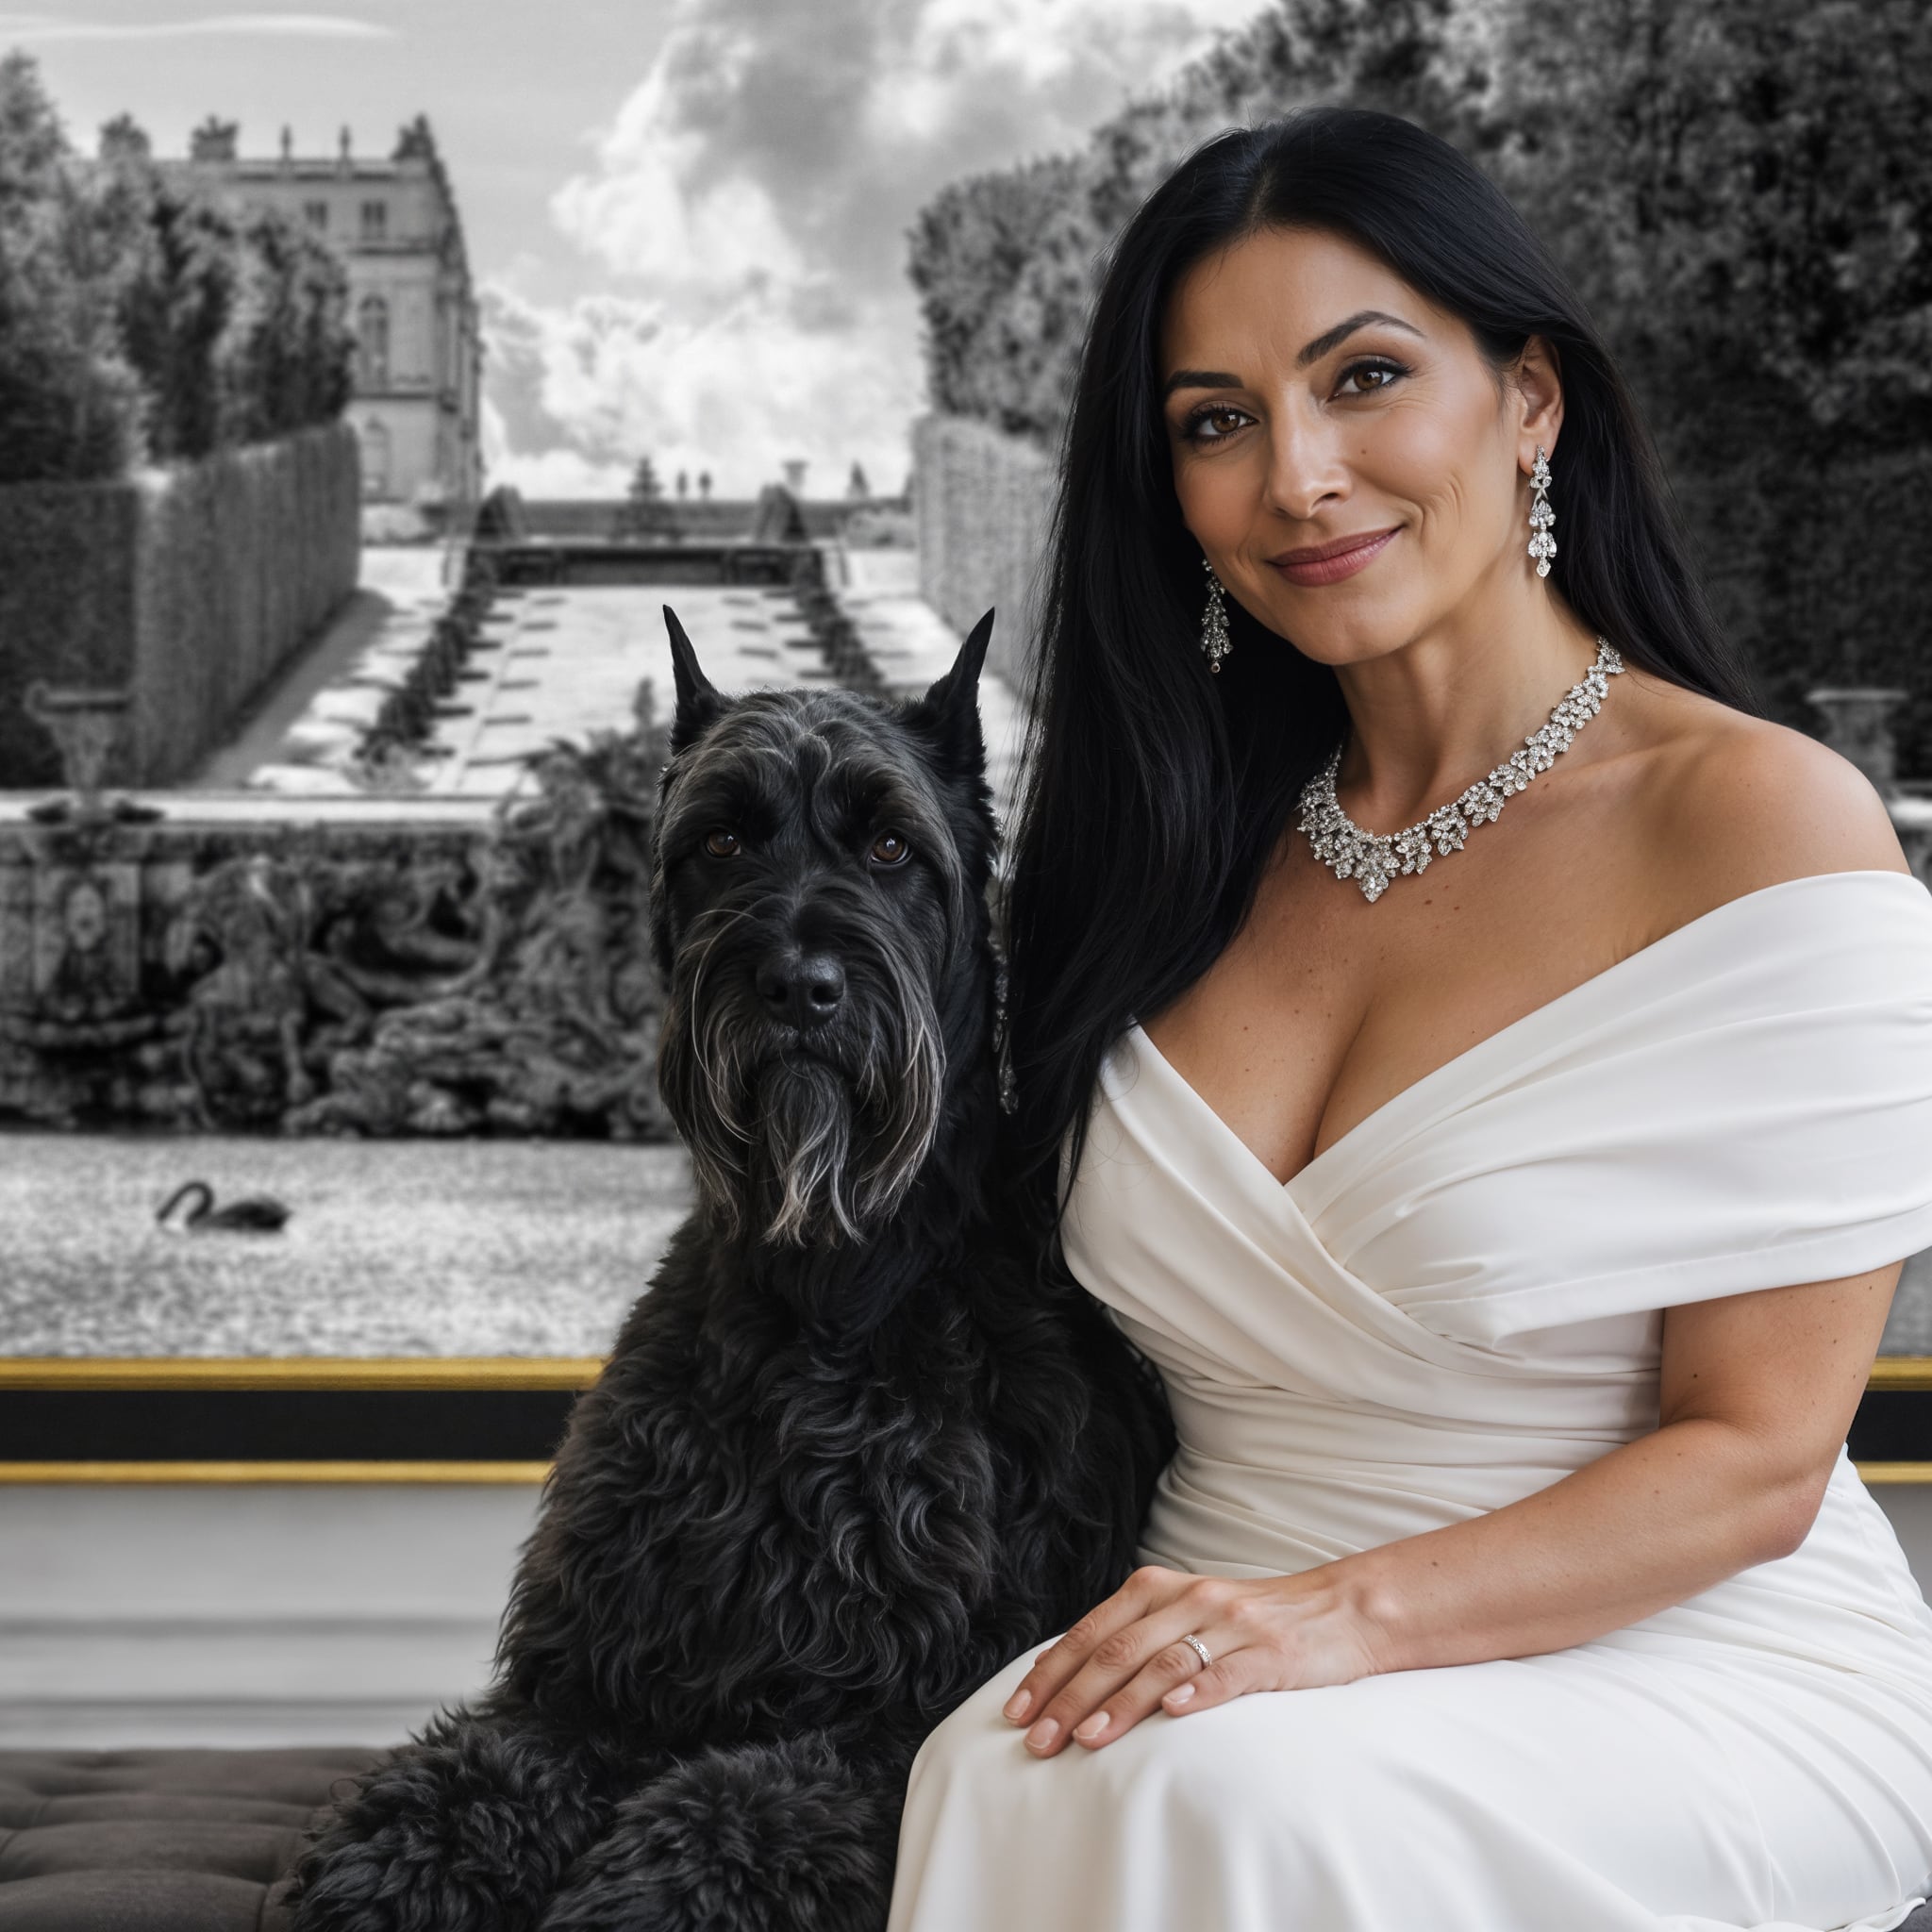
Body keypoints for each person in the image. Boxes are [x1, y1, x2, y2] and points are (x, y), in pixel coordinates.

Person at [884, 106, 1932, 1932]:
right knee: (998, 1755)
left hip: (1673, 1657)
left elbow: (1757, 1461)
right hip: (1208, 1644)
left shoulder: (1756, 819)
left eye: (1361, 376)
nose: (1297, 474)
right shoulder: (1154, 860)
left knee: (1240, 1805)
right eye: (1214, 421)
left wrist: (1328, 1620)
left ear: (1528, 400)